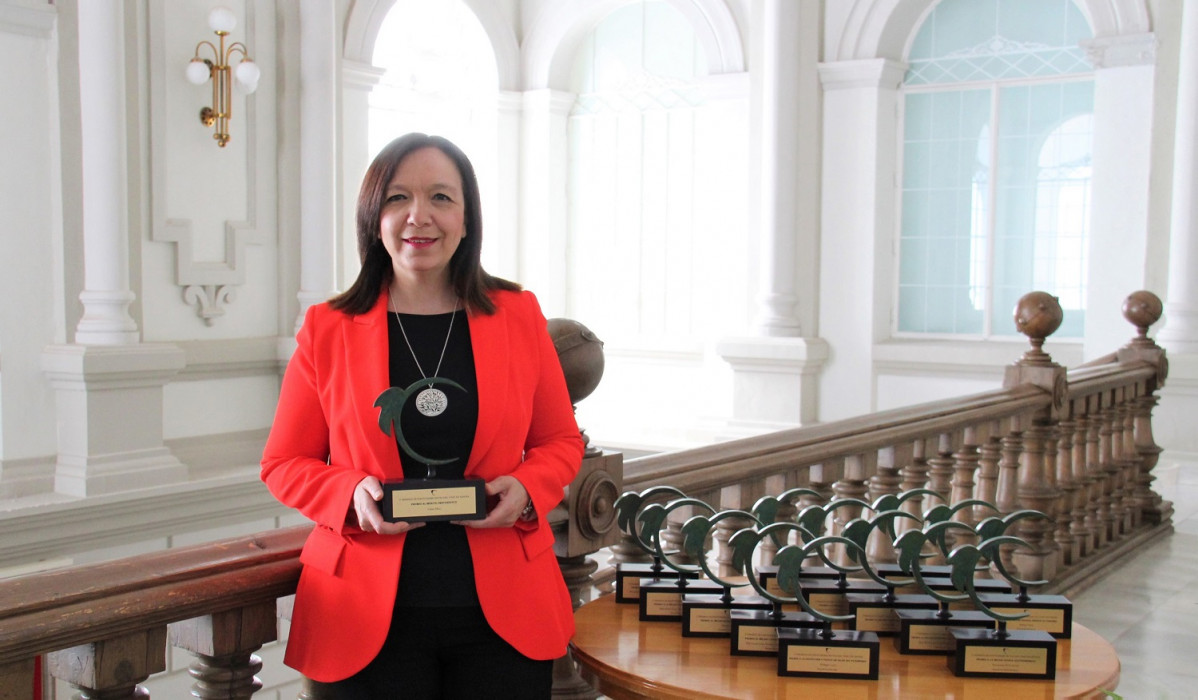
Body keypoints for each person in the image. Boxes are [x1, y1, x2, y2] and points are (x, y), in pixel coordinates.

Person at [261, 133, 584, 699]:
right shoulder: (327, 328)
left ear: (466, 218)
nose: (419, 216)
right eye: (397, 198)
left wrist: (528, 488)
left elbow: (560, 440)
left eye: (440, 197)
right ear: (374, 218)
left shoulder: (518, 314)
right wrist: (350, 492)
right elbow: (283, 463)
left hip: (503, 614)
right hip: (361, 612)